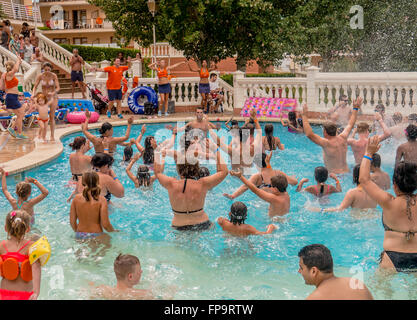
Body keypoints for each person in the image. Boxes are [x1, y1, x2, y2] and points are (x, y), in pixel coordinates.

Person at [360, 136, 417, 272]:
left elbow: (364, 179)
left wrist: (368, 153)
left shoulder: (388, 201)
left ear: (395, 185)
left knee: (380, 292)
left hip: (391, 257)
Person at [154, 141, 228, 231]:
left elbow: (157, 172)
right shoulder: (203, 184)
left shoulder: (171, 184)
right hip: (202, 224)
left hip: (178, 227)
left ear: (178, 169)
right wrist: (216, 150)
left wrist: (157, 151)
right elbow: (224, 172)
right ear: (197, 169)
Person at [301, 98, 362, 174]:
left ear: (325, 132)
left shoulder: (326, 143)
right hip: (347, 173)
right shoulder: (343, 137)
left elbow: (309, 134)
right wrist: (355, 108)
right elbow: (350, 124)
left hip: (335, 176)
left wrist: (304, 115)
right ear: (336, 130)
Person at [298, 244, 373, 300]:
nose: (299, 271)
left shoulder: (314, 298)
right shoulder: (356, 283)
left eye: (301, 268)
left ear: (314, 271)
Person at [0, 210, 42, 300]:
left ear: (5, 228)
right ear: (28, 229)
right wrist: (36, 292)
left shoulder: (1, 246)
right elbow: (36, 267)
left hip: (3, 294)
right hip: (25, 295)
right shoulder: (31, 247)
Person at [210, 109, 262, 176]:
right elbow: (259, 132)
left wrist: (210, 129)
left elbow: (218, 142)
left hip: (235, 178)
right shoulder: (253, 148)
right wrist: (255, 118)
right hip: (249, 177)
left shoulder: (233, 151)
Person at [224, 152, 298, 199]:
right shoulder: (278, 174)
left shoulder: (258, 177)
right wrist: (293, 177)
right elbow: (295, 182)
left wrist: (233, 196)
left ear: (256, 164)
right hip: (280, 199)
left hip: (262, 203)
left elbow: (245, 187)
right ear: (267, 161)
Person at [70, 172, 116, 240]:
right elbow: (105, 224)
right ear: (97, 182)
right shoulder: (101, 200)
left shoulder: (76, 199)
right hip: (97, 235)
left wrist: (79, 233)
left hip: (80, 234)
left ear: (83, 183)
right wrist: (114, 231)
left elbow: (72, 222)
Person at [32, 62, 60, 142]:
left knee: (51, 116)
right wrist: (33, 94)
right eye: (45, 69)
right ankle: (40, 134)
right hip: (44, 98)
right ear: (43, 69)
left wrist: (53, 93)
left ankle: (52, 135)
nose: (47, 71)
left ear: (51, 69)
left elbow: (58, 88)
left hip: (53, 97)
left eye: (49, 69)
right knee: (42, 115)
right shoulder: (41, 76)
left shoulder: (54, 76)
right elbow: (35, 86)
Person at [1, 56, 27, 139]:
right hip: (11, 97)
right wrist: (18, 60)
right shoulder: (9, 74)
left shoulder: (4, 75)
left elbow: (2, 88)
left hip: (11, 96)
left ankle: (12, 129)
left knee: (20, 114)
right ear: (12, 67)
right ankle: (18, 133)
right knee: (21, 114)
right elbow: (16, 69)